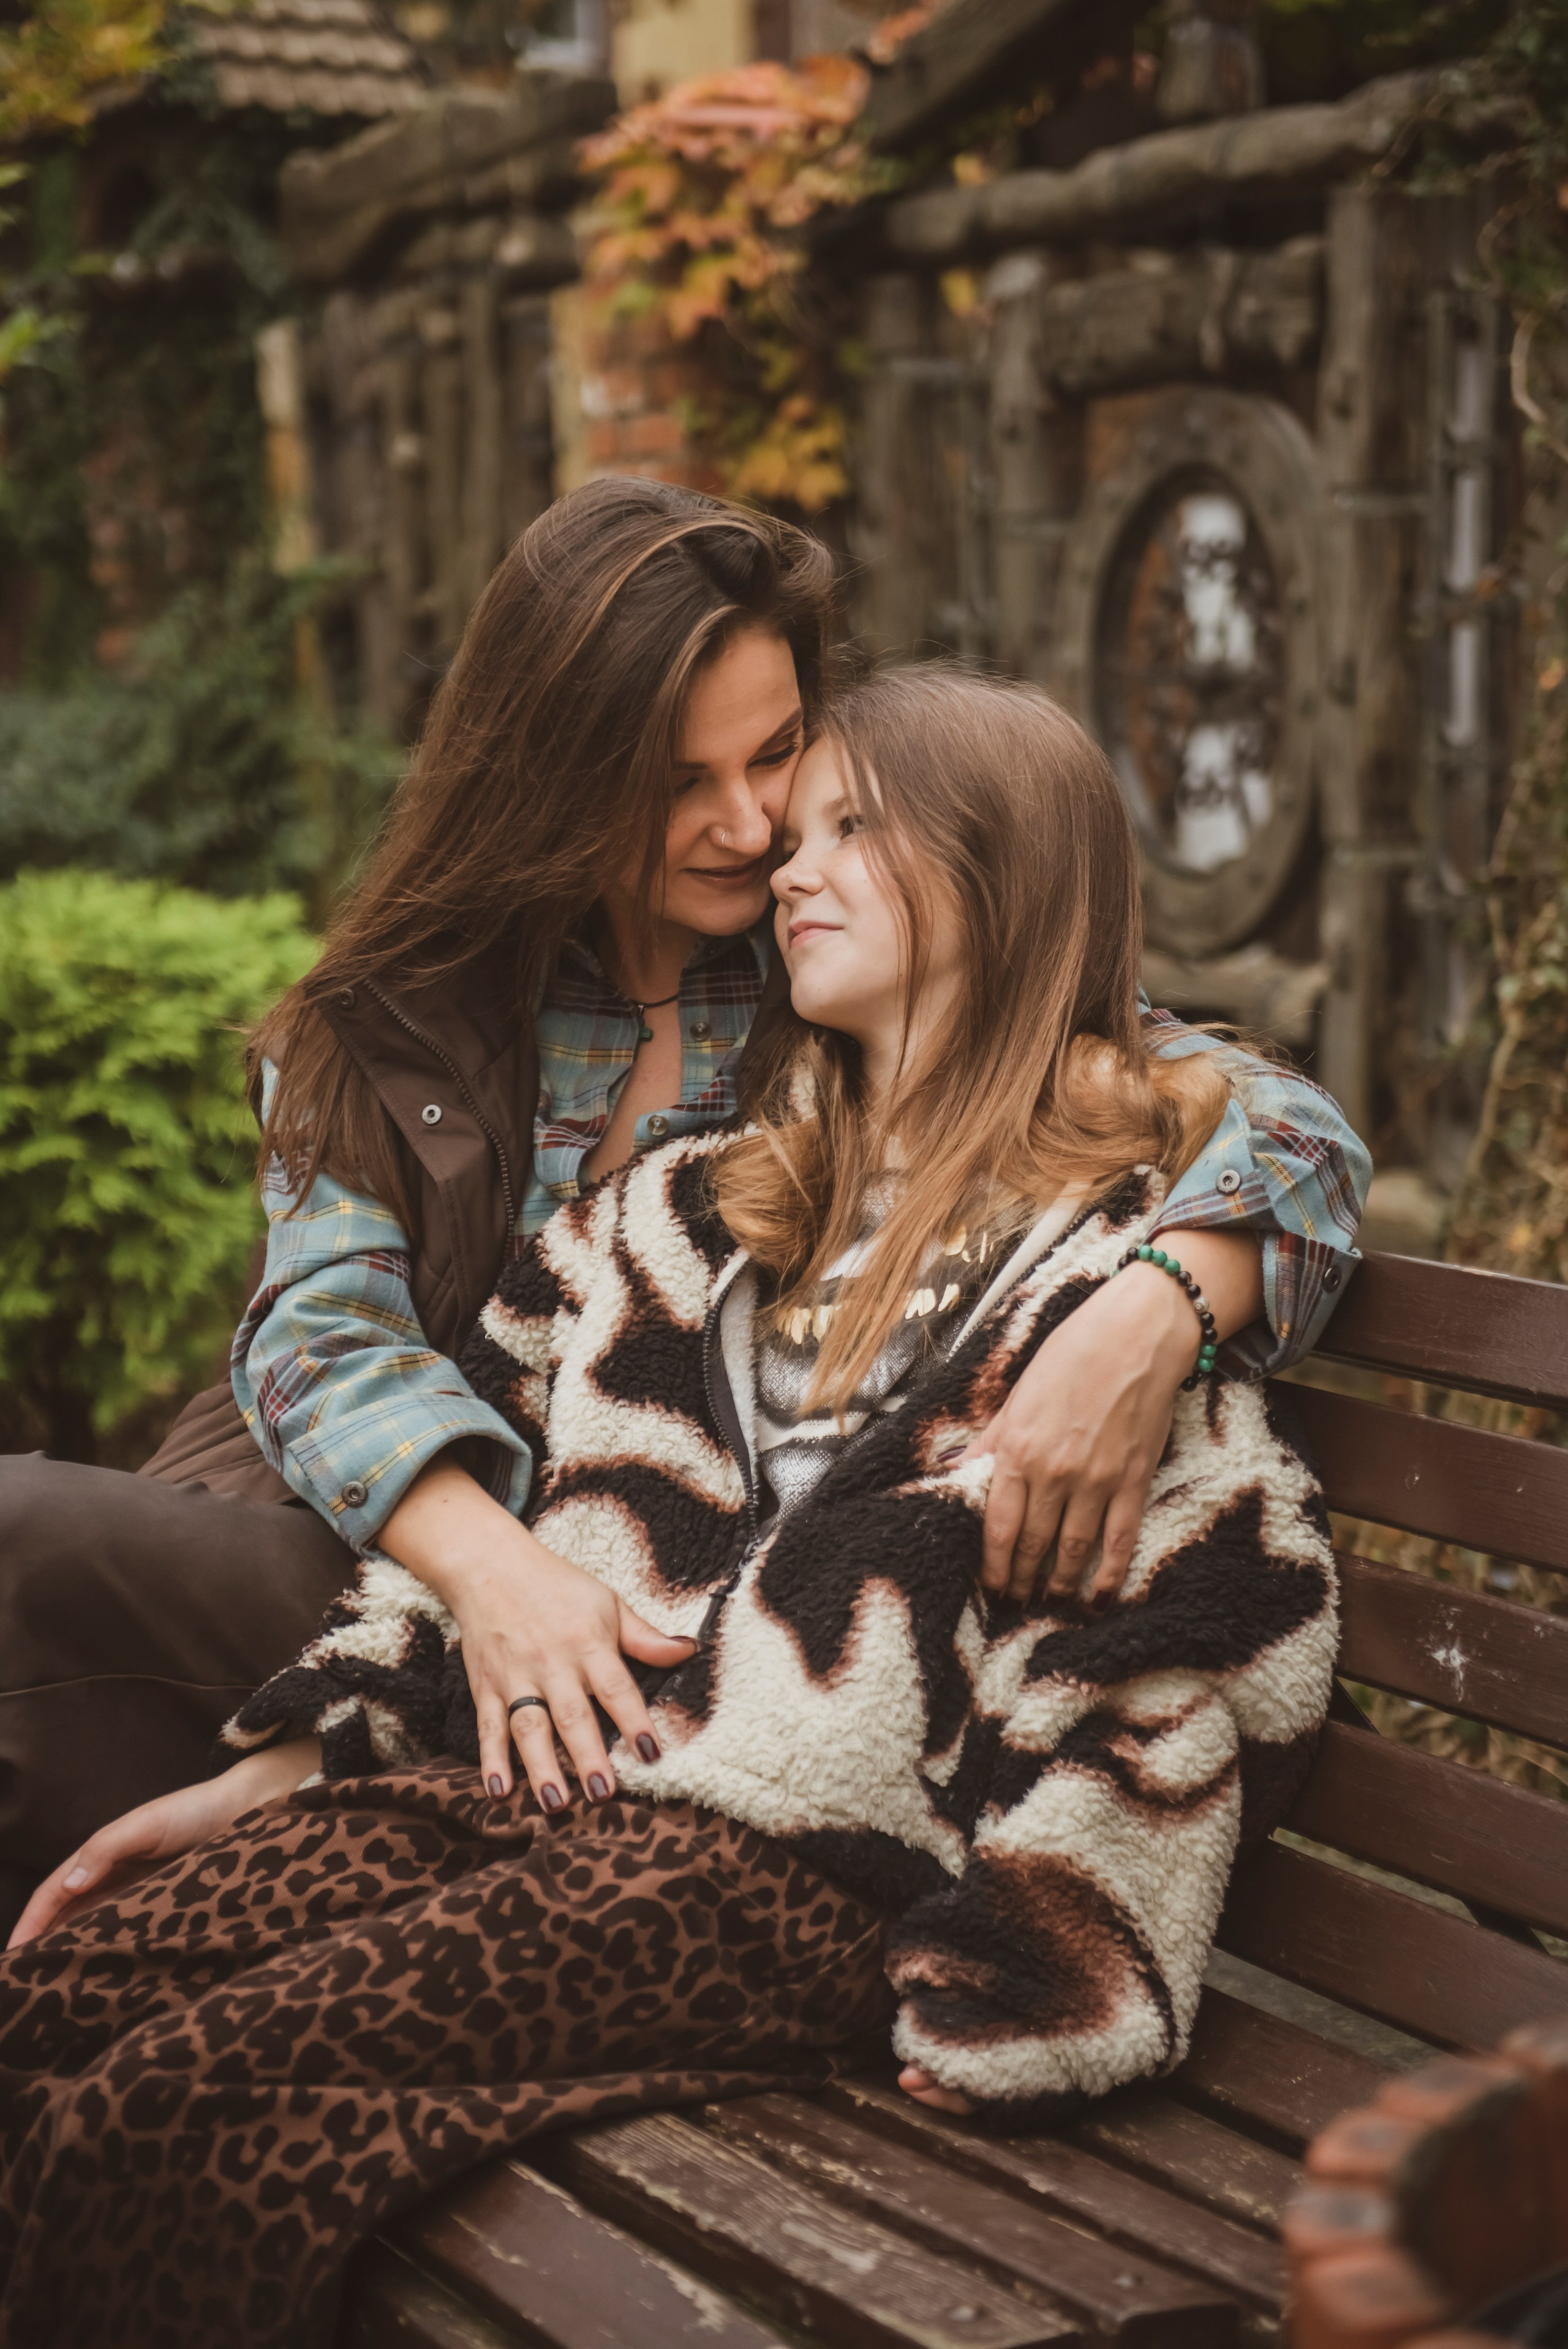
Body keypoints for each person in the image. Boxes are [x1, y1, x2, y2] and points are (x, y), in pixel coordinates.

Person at [0, 665, 1351, 2349]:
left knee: (180, 2097)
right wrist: (308, 1752)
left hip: (793, 1862)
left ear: (992, 880)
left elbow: (1195, 1629)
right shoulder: (678, 1214)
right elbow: (491, 1479)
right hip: (555, 1787)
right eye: (790, 818)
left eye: (841, 822)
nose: (781, 853)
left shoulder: (1102, 1277)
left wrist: (1035, 1975)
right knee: (65, 1995)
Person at [0, 477, 1361, 1903]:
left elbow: (1276, 1125)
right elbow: (321, 1342)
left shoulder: (844, 950)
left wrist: (1154, 1310)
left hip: (713, 1606)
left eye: (773, 754)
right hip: (386, 1563)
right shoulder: (385, 1018)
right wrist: (497, 1576)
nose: (750, 823)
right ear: (550, 771)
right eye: (675, 782)